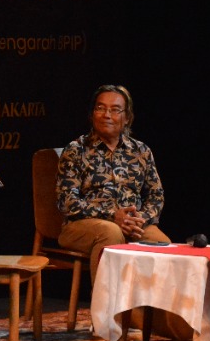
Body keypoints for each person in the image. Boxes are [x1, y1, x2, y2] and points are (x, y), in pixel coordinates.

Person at [57, 84, 170, 283]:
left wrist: (139, 219)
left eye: (115, 110)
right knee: (111, 232)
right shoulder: (76, 150)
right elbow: (67, 201)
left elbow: (156, 195)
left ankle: (148, 313)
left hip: (131, 224)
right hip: (82, 226)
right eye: (100, 108)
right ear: (92, 114)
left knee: (162, 244)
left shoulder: (141, 151)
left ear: (127, 118)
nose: (106, 115)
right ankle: (105, 310)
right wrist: (112, 216)